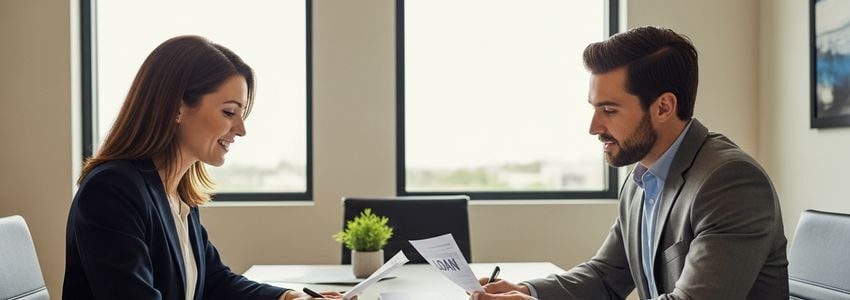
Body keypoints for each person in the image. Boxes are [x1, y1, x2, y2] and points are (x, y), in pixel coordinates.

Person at [472, 26, 788, 299]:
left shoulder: (729, 181)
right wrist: (528, 293)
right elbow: (605, 277)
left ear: (663, 107)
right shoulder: (641, 180)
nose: (593, 127)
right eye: (594, 109)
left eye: (609, 110)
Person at [63, 35, 342, 300]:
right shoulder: (113, 190)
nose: (241, 129)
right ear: (177, 107)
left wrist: (289, 296)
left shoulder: (177, 194)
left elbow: (213, 280)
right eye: (229, 112)